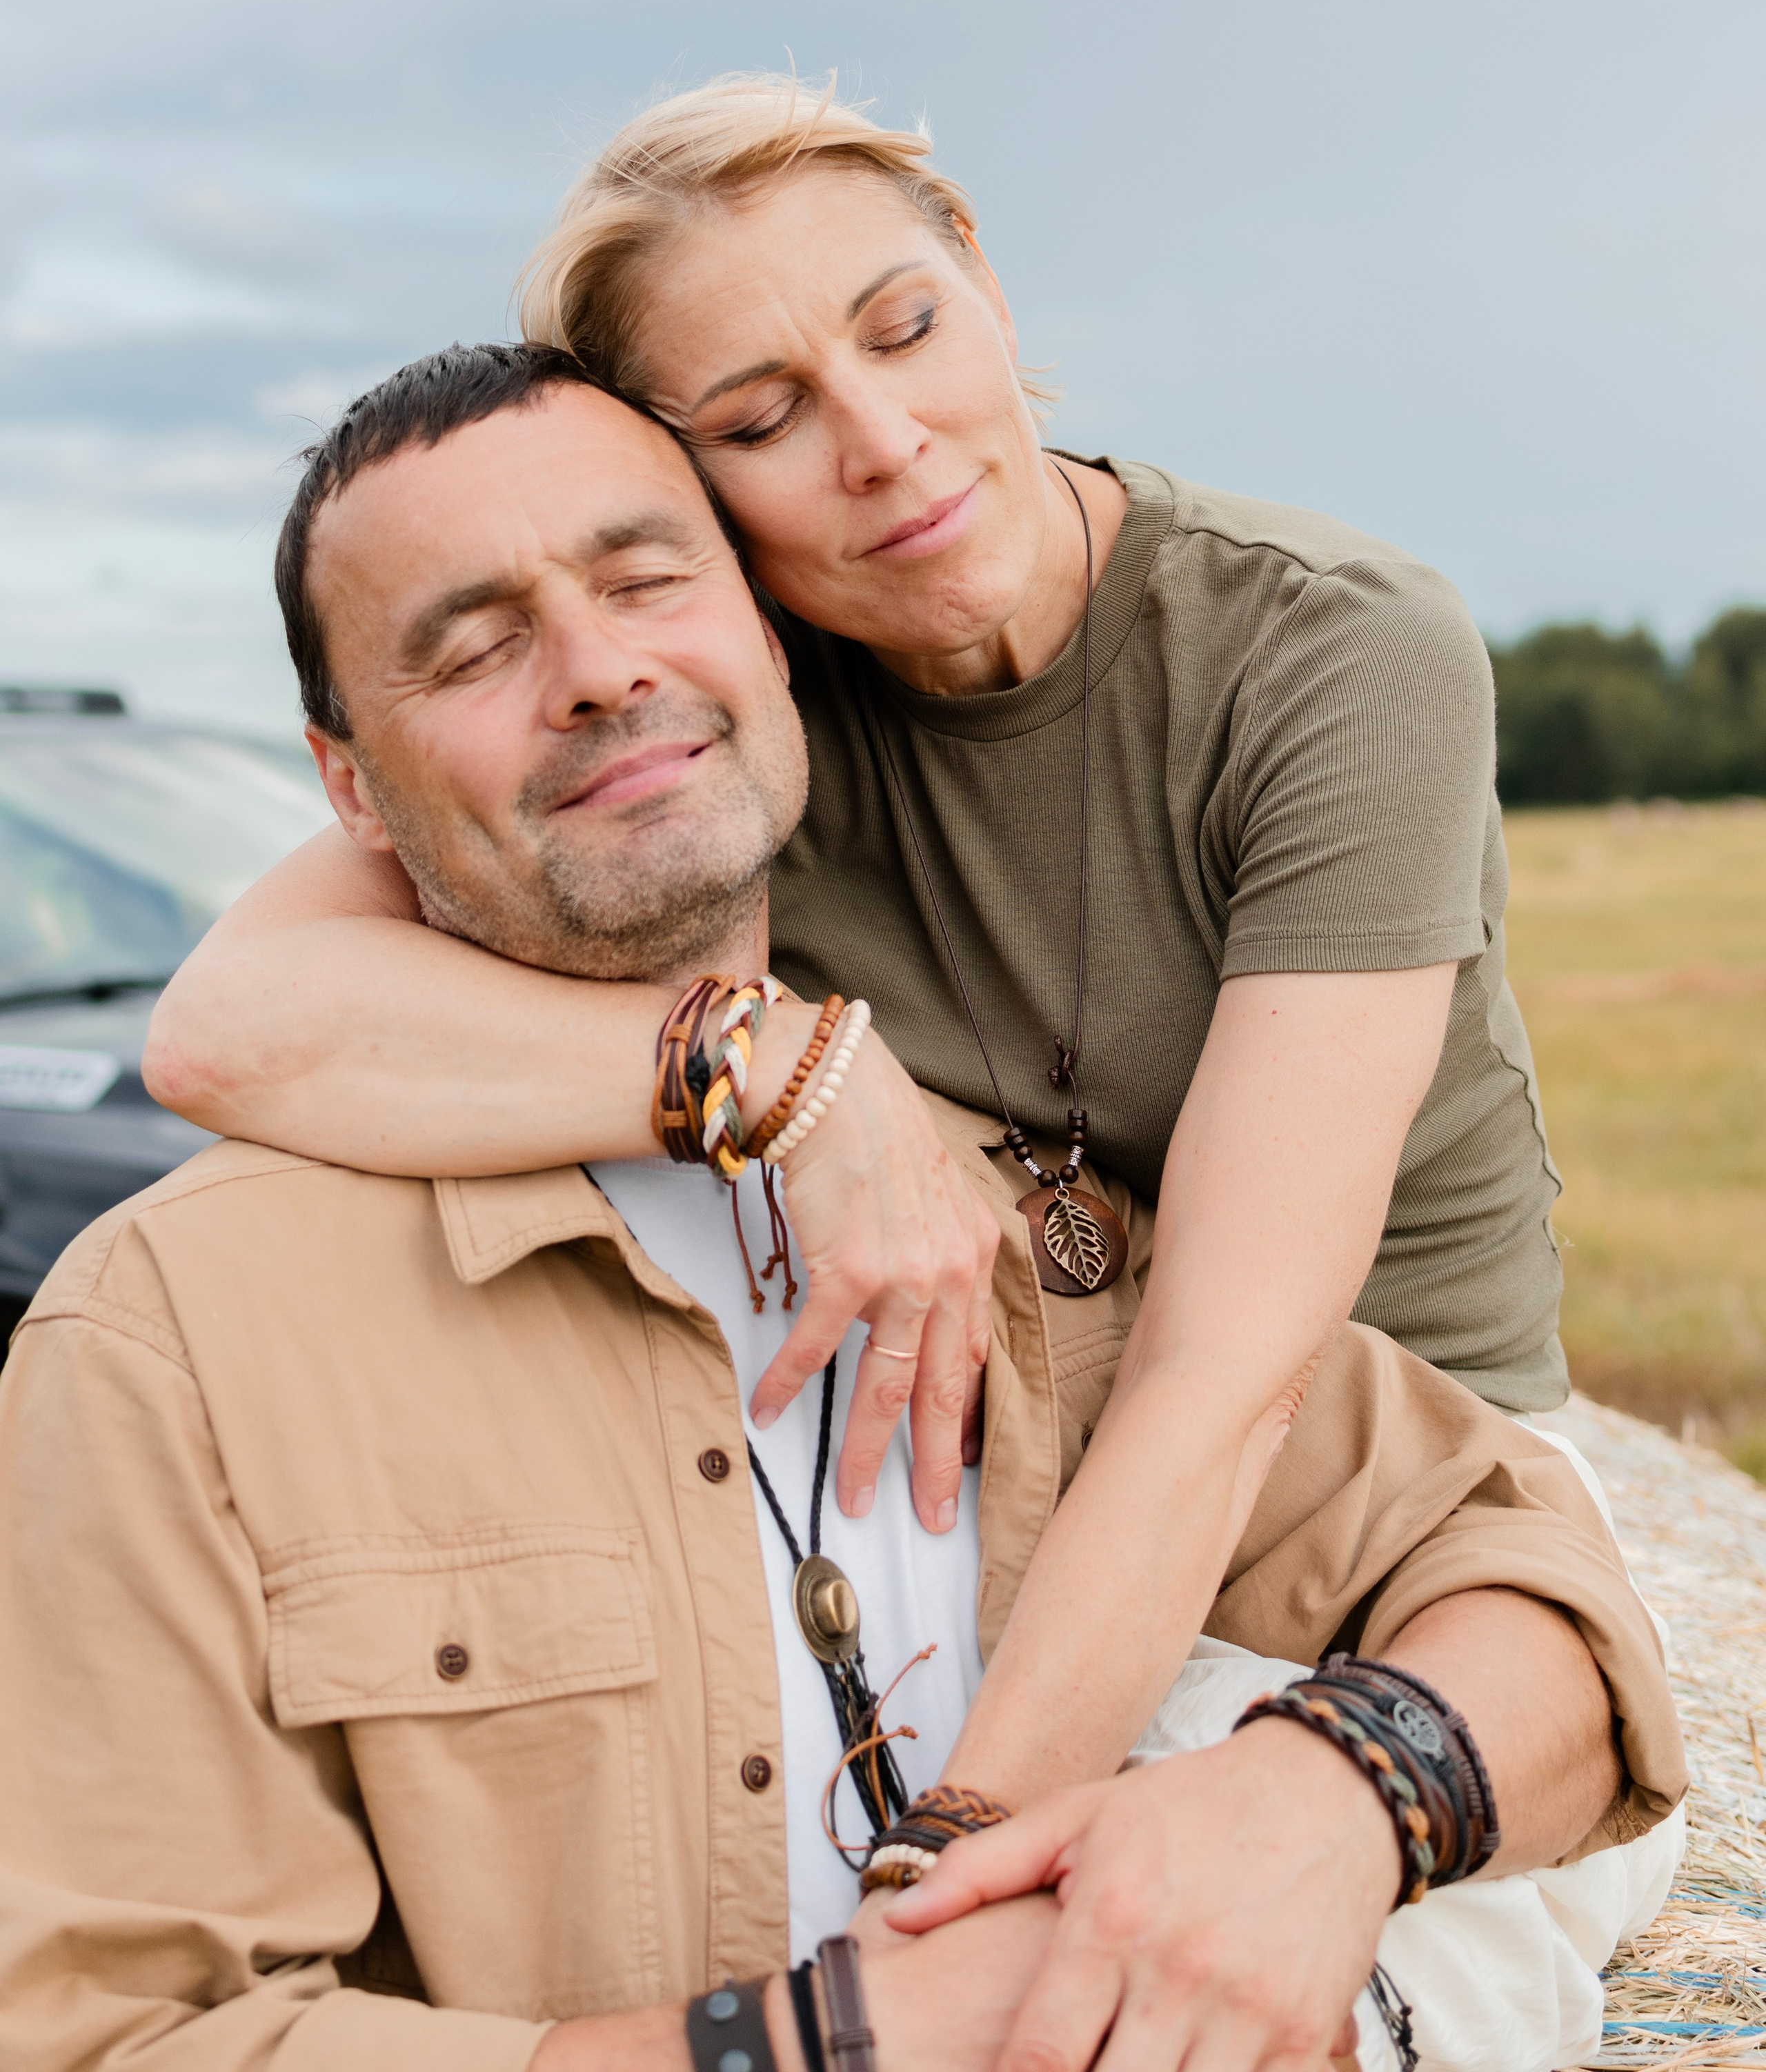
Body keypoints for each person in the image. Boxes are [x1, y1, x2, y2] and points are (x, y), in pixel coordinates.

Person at [8, 347, 1683, 2072]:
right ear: (348, 786)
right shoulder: (176, 1336)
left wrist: (1326, 1803)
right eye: (477, 645)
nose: (598, 669)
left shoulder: (1040, 1217)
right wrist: (828, 2042)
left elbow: (1536, 1584)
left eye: (648, 576)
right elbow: (103, 2037)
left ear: (766, 637)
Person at [149, 75, 1574, 1891]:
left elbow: (1233, 1374)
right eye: (761, 419)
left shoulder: (1336, 653)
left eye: (905, 328)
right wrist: (771, 1065)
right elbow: (231, 1026)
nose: (885, 440)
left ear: (978, 268)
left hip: (1380, 1513)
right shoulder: (723, 730)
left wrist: (945, 1876)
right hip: (1012, 1480)